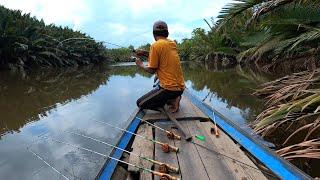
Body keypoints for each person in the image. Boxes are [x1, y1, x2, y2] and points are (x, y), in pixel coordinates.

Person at [134, 20, 185, 113]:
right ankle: (175, 97)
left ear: (154, 34)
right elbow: (161, 57)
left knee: (140, 103)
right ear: (167, 33)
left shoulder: (155, 45)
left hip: (169, 89)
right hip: (181, 88)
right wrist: (145, 53)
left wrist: (140, 65)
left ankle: (173, 100)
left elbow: (152, 70)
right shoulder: (172, 43)